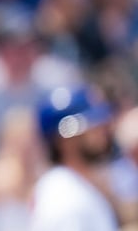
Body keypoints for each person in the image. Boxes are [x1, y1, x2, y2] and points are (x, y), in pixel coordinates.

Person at [28, 86, 120, 231]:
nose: (102, 133)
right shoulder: (66, 199)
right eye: (92, 127)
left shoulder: (73, 186)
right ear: (65, 141)